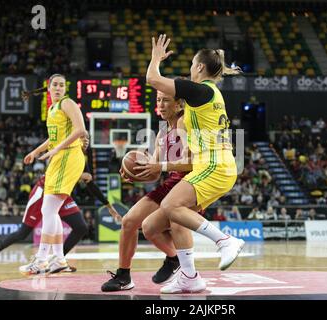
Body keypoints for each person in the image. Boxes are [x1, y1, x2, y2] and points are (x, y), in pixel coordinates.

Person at [141, 34, 245, 293]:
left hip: (214, 165)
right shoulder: (210, 94)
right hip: (211, 166)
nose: (189, 69)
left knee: (170, 204)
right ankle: (190, 277)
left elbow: (153, 80)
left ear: (199, 67)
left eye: (191, 64)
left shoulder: (200, 90)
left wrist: (155, 58)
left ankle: (225, 241)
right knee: (154, 225)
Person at [101, 90, 193, 292]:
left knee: (155, 227)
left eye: (166, 100)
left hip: (191, 185)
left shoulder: (184, 122)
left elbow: (191, 162)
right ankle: (124, 275)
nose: (160, 104)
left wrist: (160, 166)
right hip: (171, 183)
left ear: (179, 105)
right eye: (158, 100)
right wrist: (135, 172)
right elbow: (154, 170)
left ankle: (180, 264)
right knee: (129, 221)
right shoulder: (162, 131)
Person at [0, 172, 120, 272]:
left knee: (81, 227)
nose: (85, 140)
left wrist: (109, 206)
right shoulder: (66, 146)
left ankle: (58, 261)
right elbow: (57, 169)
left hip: (62, 194)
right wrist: (77, 175)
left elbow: (90, 183)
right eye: (82, 136)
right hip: (45, 191)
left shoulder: (83, 155)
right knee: (23, 233)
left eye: (87, 138)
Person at [19, 74, 87, 275]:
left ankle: (40, 261)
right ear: (48, 88)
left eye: (61, 85)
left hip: (68, 156)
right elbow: (53, 138)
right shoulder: (52, 108)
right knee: (51, 211)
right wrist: (35, 151)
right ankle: (58, 260)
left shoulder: (67, 103)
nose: (58, 87)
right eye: (54, 85)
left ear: (65, 89)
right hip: (60, 157)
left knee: (48, 209)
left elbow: (80, 130)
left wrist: (56, 150)